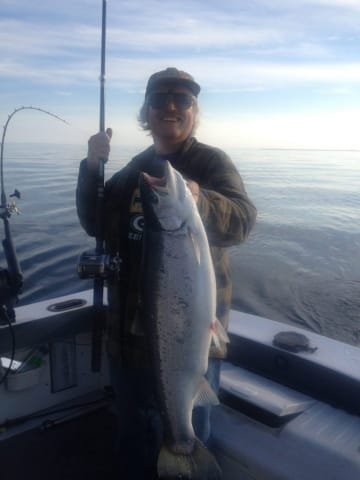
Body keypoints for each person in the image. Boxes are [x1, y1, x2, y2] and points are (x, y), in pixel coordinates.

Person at [76, 67, 257, 479]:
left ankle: (189, 455)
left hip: (192, 340)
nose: (171, 107)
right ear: (147, 110)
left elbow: (243, 221)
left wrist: (202, 200)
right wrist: (90, 167)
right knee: (136, 439)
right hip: (127, 342)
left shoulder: (211, 162)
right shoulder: (136, 170)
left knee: (189, 426)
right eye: (160, 100)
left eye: (183, 100)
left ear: (194, 110)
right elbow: (96, 223)